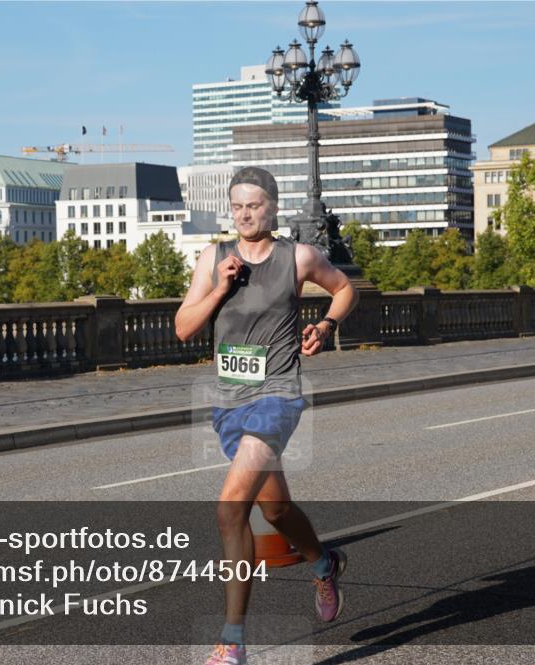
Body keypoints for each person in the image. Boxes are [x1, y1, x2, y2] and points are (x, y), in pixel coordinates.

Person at [175, 166, 359, 665]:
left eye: (253, 205)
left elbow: (345, 288)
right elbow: (183, 329)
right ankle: (324, 563)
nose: (244, 214)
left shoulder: (298, 257)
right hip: (229, 403)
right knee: (275, 509)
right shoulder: (213, 258)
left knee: (231, 507)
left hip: (277, 395)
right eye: (236, 206)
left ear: (272, 206)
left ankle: (231, 642)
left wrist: (325, 325)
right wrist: (218, 289)